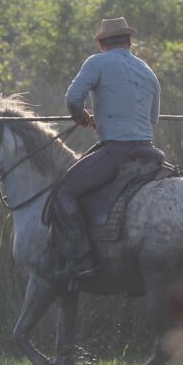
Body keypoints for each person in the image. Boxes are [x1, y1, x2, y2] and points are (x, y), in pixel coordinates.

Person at [48, 17, 161, 280]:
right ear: (129, 41)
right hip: (149, 152)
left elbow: (73, 98)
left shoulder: (97, 63)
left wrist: (80, 115)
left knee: (62, 192)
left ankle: (83, 260)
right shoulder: (147, 71)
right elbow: (152, 118)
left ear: (102, 44)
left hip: (116, 153)